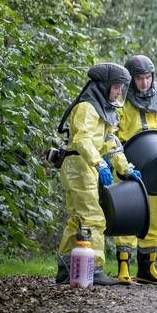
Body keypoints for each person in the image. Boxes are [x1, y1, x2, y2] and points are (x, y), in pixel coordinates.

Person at [55, 62, 139, 285]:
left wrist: (125, 168)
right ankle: (96, 268)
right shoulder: (87, 108)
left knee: (78, 220)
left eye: (122, 87)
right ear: (104, 86)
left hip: (85, 165)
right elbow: (82, 140)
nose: (120, 91)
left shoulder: (105, 108)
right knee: (93, 218)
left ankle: (65, 268)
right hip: (78, 165)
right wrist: (99, 164)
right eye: (116, 87)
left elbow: (111, 142)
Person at [113, 55, 157, 285]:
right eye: (139, 78)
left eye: (147, 77)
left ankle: (147, 270)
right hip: (129, 162)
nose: (144, 83)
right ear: (130, 80)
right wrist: (118, 160)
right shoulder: (120, 103)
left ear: (153, 76)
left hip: (156, 165)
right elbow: (111, 131)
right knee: (127, 213)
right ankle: (123, 268)